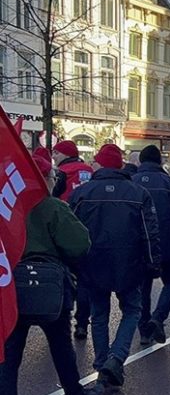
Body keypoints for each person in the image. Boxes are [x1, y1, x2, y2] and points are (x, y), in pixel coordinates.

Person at [0, 156, 102, 395]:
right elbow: (80, 244)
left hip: (13, 286)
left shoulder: (7, 207)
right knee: (61, 345)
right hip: (50, 286)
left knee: (9, 353)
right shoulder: (53, 207)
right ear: (43, 178)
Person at [70, 144, 161, 388]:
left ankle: (102, 363)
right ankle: (116, 357)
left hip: (93, 262)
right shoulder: (138, 193)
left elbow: (72, 232)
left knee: (99, 314)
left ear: (99, 164)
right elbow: (149, 232)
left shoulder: (82, 193)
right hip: (129, 263)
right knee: (132, 310)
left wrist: (73, 264)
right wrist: (153, 262)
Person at [133, 145, 170, 345]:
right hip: (167, 244)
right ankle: (158, 317)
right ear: (160, 161)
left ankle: (143, 329)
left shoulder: (130, 183)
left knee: (143, 286)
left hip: (139, 246)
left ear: (140, 161)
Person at [49, 141, 94, 340]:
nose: (54, 157)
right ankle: (82, 322)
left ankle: (61, 317)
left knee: (63, 277)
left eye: (57, 153)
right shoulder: (89, 170)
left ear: (65, 154)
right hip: (87, 229)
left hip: (64, 228)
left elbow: (52, 196)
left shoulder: (61, 172)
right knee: (85, 279)